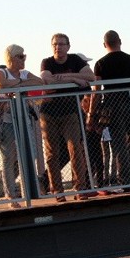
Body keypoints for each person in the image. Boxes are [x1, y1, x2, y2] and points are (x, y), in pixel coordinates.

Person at [40, 33, 95, 200]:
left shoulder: (76, 61)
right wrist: (75, 81)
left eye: (61, 44)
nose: (58, 47)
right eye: (55, 44)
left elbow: (90, 77)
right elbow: (47, 80)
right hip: (49, 112)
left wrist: (69, 77)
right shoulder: (47, 62)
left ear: (68, 46)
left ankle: (80, 188)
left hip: (70, 111)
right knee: (52, 152)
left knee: (75, 148)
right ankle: (57, 190)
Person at [91, 30, 130, 191]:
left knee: (119, 144)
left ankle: (124, 182)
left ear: (104, 44)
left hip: (112, 105)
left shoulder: (100, 64)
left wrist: (92, 114)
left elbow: (96, 90)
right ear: (120, 41)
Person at [0, 45, 44, 207]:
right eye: (21, 57)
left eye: (24, 56)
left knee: (29, 154)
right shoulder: (2, 71)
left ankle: (26, 192)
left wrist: (17, 83)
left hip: (24, 118)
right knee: (8, 157)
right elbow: (1, 84)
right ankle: (11, 195)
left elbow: (39, 82)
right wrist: (22, 83)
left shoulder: (24, 73)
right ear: (12, 58)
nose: (24, 59)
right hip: (7, 120)